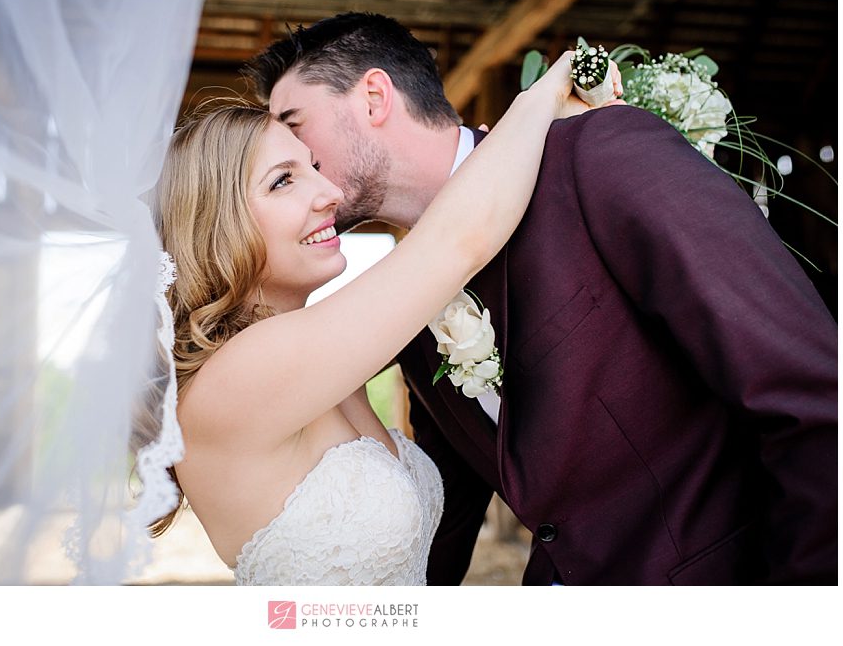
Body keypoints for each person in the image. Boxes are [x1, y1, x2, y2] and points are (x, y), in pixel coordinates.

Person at [245, 12, 838, 585]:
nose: (295, 160)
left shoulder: (598, 157)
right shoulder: (405, 296)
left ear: (374, 98)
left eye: (295, 127)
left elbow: (812, 394)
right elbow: (443, 503)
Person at [135, 52, 615, 585]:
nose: (330, 194)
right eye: (282, 181)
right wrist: (545, 97)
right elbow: (457, 242)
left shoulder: (319, 357)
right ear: (216, 224)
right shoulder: (242, 374)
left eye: (314, 169)